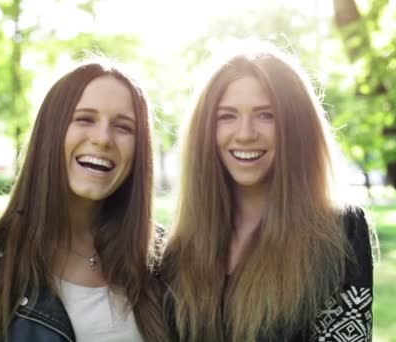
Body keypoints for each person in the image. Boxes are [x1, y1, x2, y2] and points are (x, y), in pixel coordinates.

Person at [0, 59, 167, 342]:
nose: (103, 138)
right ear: (51, 131)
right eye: (84, 119)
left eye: (123, 127)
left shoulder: (163, 260)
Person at [161, 41, 376, 342]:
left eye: (266, 115)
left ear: (296, 127)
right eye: (227, 116)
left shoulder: (339, 234)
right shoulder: (177, 250)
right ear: (205, 131)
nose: (246, 134)